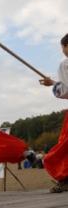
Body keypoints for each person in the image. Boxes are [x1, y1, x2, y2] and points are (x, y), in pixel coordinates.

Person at [39, 33, 68, 193]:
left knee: (64, 147)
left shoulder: (65, 64)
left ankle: (65, 178)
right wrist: (54, 83)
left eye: (62, 47)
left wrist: (54, 87)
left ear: (66, 46)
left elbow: (66, 90)